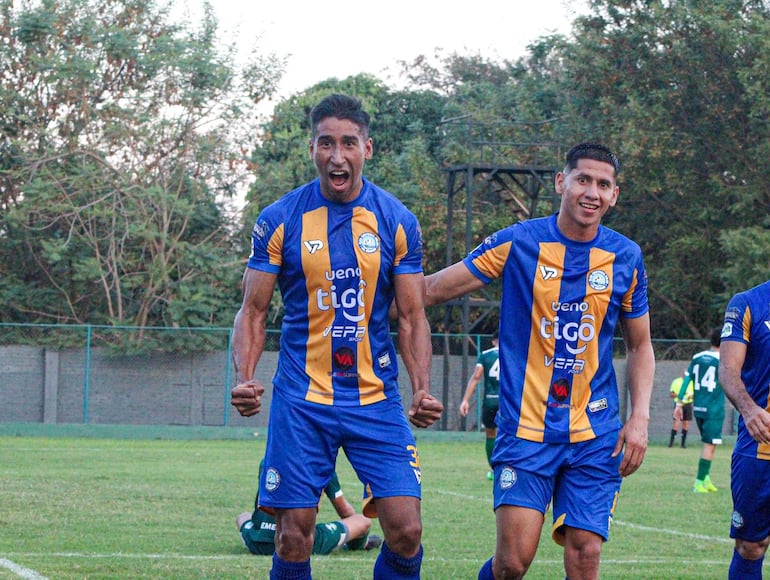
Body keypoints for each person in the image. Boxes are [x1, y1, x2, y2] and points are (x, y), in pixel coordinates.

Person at [229, 93, 443, 580]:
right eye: (327, 143)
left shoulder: (397, 221)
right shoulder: (280, 219)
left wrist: (423, 387)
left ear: (368, 148)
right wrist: (244, 377)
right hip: (302, 398)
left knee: (406, 530)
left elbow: (411, 317)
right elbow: (254, 310)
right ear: (313, 149)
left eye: (349, 143)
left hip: (375, 398)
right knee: (292, 534)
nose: (337, 155)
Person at [424, 142, 655, 579]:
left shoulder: (627, 256)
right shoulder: (519, 242)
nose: (592, 191)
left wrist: (639, 417)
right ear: (560, 182)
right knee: (512, 564)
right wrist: (370, 298)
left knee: (585, 554)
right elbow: (432, 289)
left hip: (596, 432)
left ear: (614, 195)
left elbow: (641, 345)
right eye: (582, 179)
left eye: (603, 184)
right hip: (526, 428)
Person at [718, 280, 770, 579]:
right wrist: (750, 410)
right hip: (761, 446)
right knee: (751, 544)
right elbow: (727, 369)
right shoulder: (748, 303)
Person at [237, 460, 382, 556]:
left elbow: (261, 505)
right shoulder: (322, 464)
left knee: (243, 516)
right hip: (297, 542)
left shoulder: (268, 460)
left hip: (258, 540)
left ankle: (256, 536)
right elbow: (344, 511)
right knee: (363, 522)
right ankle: (360, 544)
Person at [674, 327, 724, 492]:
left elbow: (686, 380)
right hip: (714, 409)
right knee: (710, 445)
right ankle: (698, 482)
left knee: (711, 444)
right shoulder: (724, 360)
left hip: (698, 408)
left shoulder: (697, 357)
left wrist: (679, 403)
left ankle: (706, 478)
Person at [459, 331, 500, 480]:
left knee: (490, 434)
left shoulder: (485, 355)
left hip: (490, 400)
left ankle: (494, 470)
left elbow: (476, 377)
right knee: (511, 434)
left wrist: (465, 400)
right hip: (507, 402)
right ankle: (510, 468)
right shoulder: (512, 353)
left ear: (493, 341)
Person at [668, 371, 693, 448]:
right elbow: (671, 394)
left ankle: (683, 444)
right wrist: (681, 394)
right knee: (676, 422)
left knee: (686, 424)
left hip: (688, 404)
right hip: (679, 404)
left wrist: (690, 396)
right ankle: (671, 443)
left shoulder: (691, 382)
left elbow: (694, 394)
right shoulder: (676, 381)